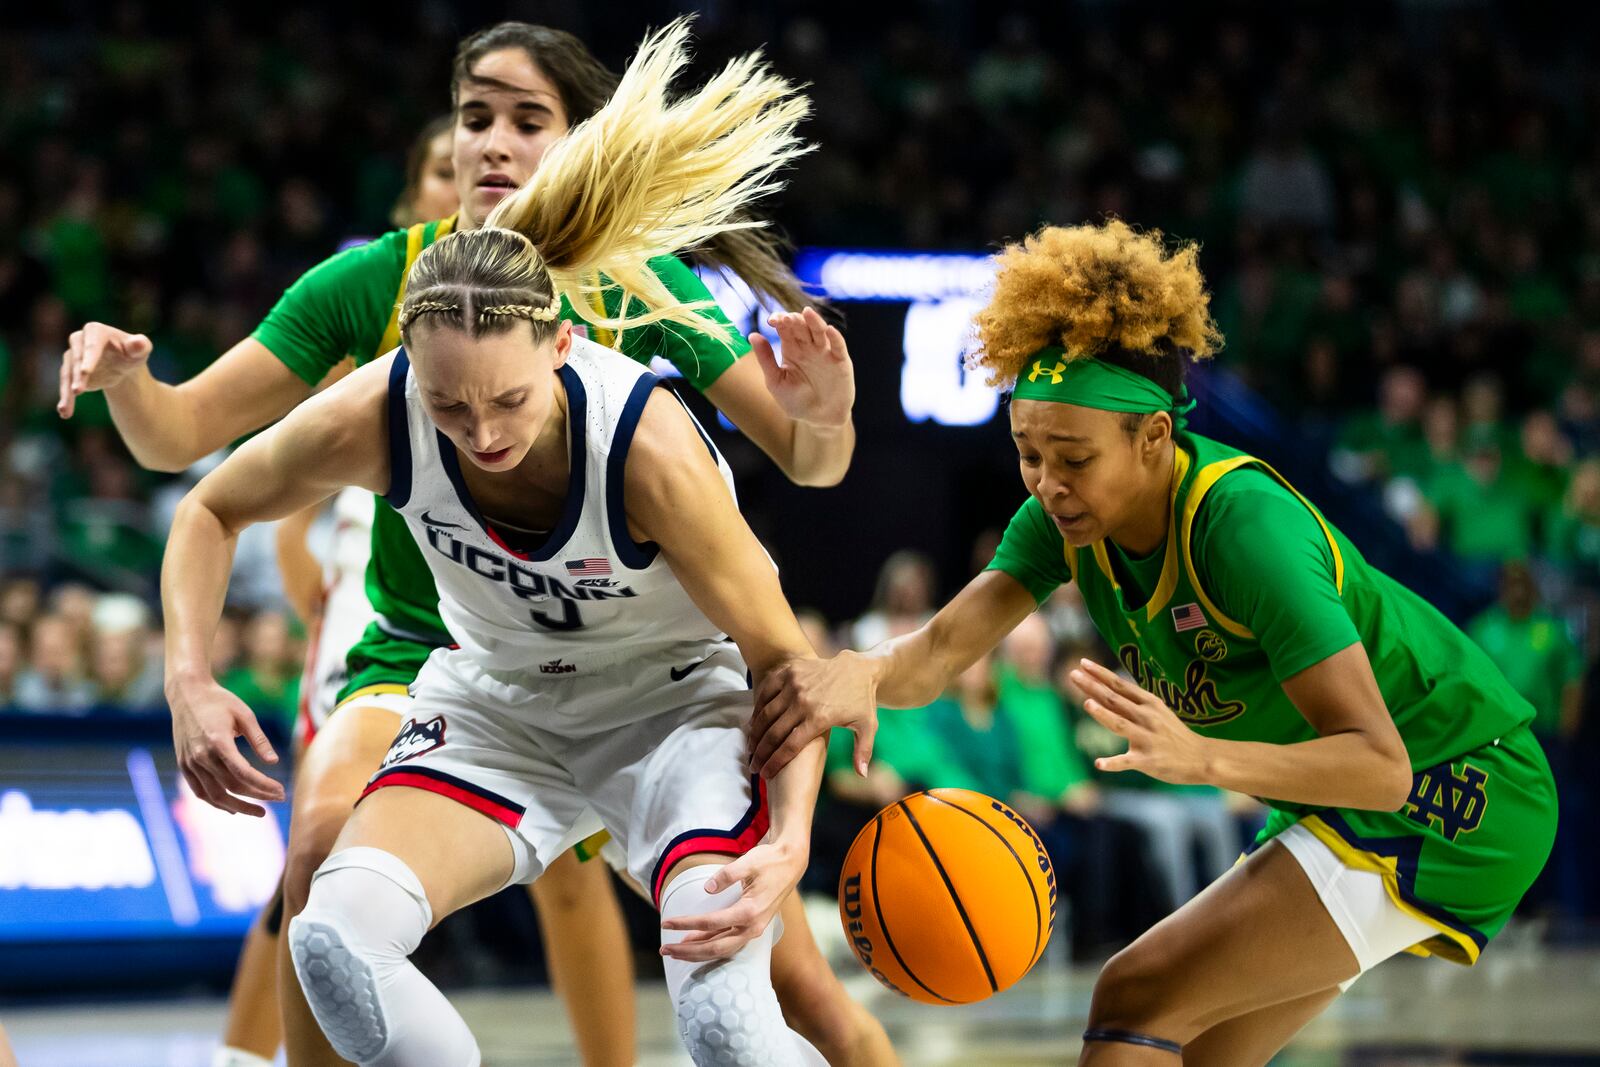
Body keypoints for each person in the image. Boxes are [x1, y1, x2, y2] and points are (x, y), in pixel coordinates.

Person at [62, 19, 888, 1067]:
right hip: (444, 652)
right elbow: (187, 458)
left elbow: (810, 469)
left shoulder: (641, 299)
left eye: (526, 120)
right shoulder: (381, 296)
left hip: (658, 675)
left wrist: (827, 416)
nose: (493, 143)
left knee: (773, 986)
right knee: (321, 871)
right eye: (474, 118)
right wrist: (135, 389)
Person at [749, 219, 1558, 1066]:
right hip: (1352, 791)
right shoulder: (1064, 522)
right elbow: (945, 648)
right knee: (1196, 1046)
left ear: (1154, 438)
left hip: (1457, 783)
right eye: (1027, 454)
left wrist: (1202, 756)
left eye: (1072, 457)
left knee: (1136, 992)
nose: (1048, 483)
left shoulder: (1243, 530)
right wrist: (861, 675)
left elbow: (1380, 764)